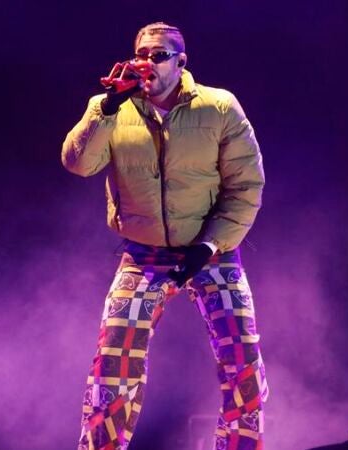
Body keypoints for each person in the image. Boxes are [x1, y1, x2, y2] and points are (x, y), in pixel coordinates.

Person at [62, 22, 268, 450]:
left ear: (180, 62)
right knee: (113, 364)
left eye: (158, 55)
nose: (147, 63)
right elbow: (78, 163)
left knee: (243, 364)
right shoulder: (109, 108)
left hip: (211, 250)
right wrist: (108, 108)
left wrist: (209, 245)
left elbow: (246, 186)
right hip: (143, 255)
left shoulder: (219, 107)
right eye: (141, 54)